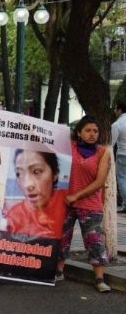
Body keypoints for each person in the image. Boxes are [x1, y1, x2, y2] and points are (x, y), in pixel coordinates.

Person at [58, 116, 112, 292]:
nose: (92, 134)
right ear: (79, 133)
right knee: (62, 238)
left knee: (95, 241)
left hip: (90, 204)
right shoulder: (69, 148)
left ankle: (99, 278)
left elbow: (100, 181)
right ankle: (59, 271)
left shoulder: (103, 152)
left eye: (95, 131)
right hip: (66, 202)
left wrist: (77, 196)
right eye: (88, 130)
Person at [6, 149, 67, 239]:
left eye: (37, 172)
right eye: (19, 174)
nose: (27, 185)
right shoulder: (13, 216)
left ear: (55, 174)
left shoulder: (68, 201)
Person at [111, 101, 126, 212]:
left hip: (123, 154)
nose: (114, 111)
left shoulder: (117, 124)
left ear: (120, 110)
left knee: (122, 179)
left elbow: (112, 142)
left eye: (115, 108)